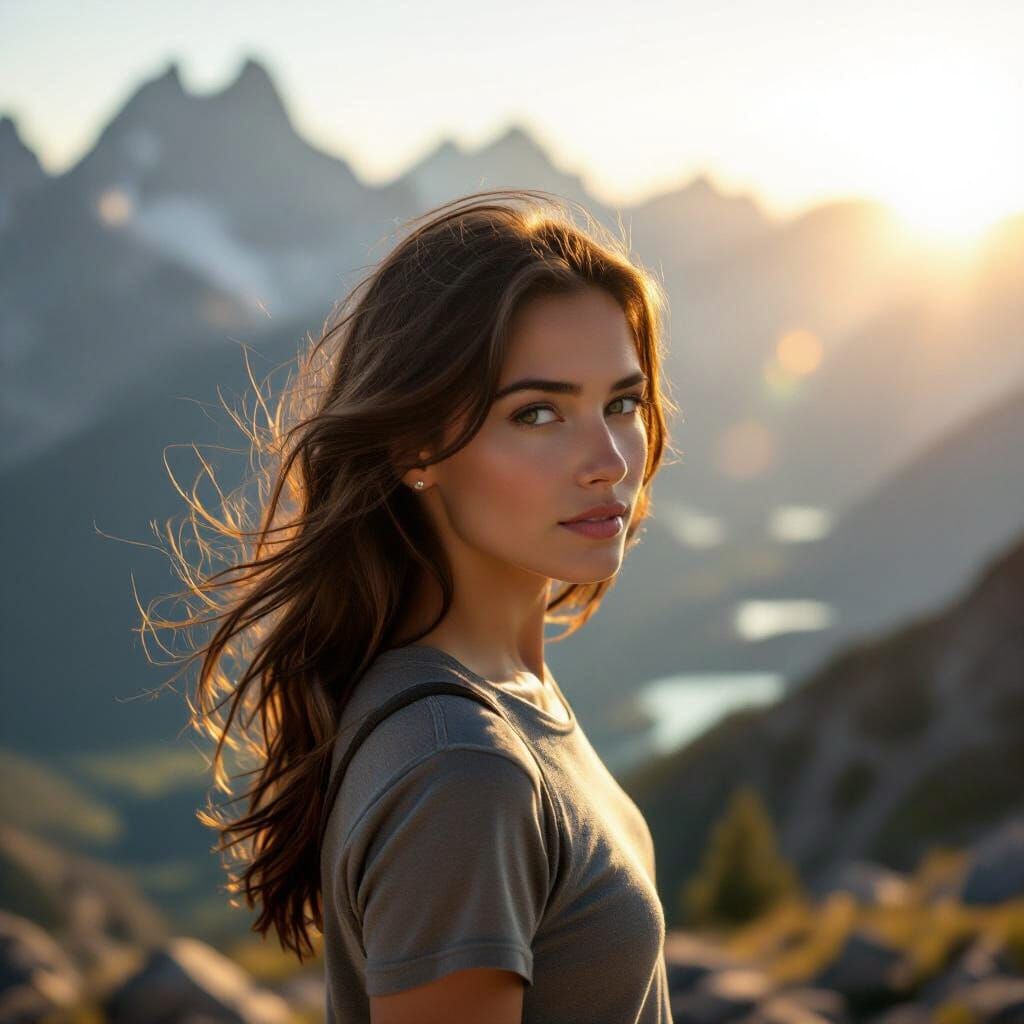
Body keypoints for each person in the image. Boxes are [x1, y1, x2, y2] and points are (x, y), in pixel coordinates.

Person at [141, 188, 681, 1022]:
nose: (608, 457)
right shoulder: (463, 771)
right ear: (415, 446)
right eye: (537, 413)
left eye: (620, 402)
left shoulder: (495, 699)